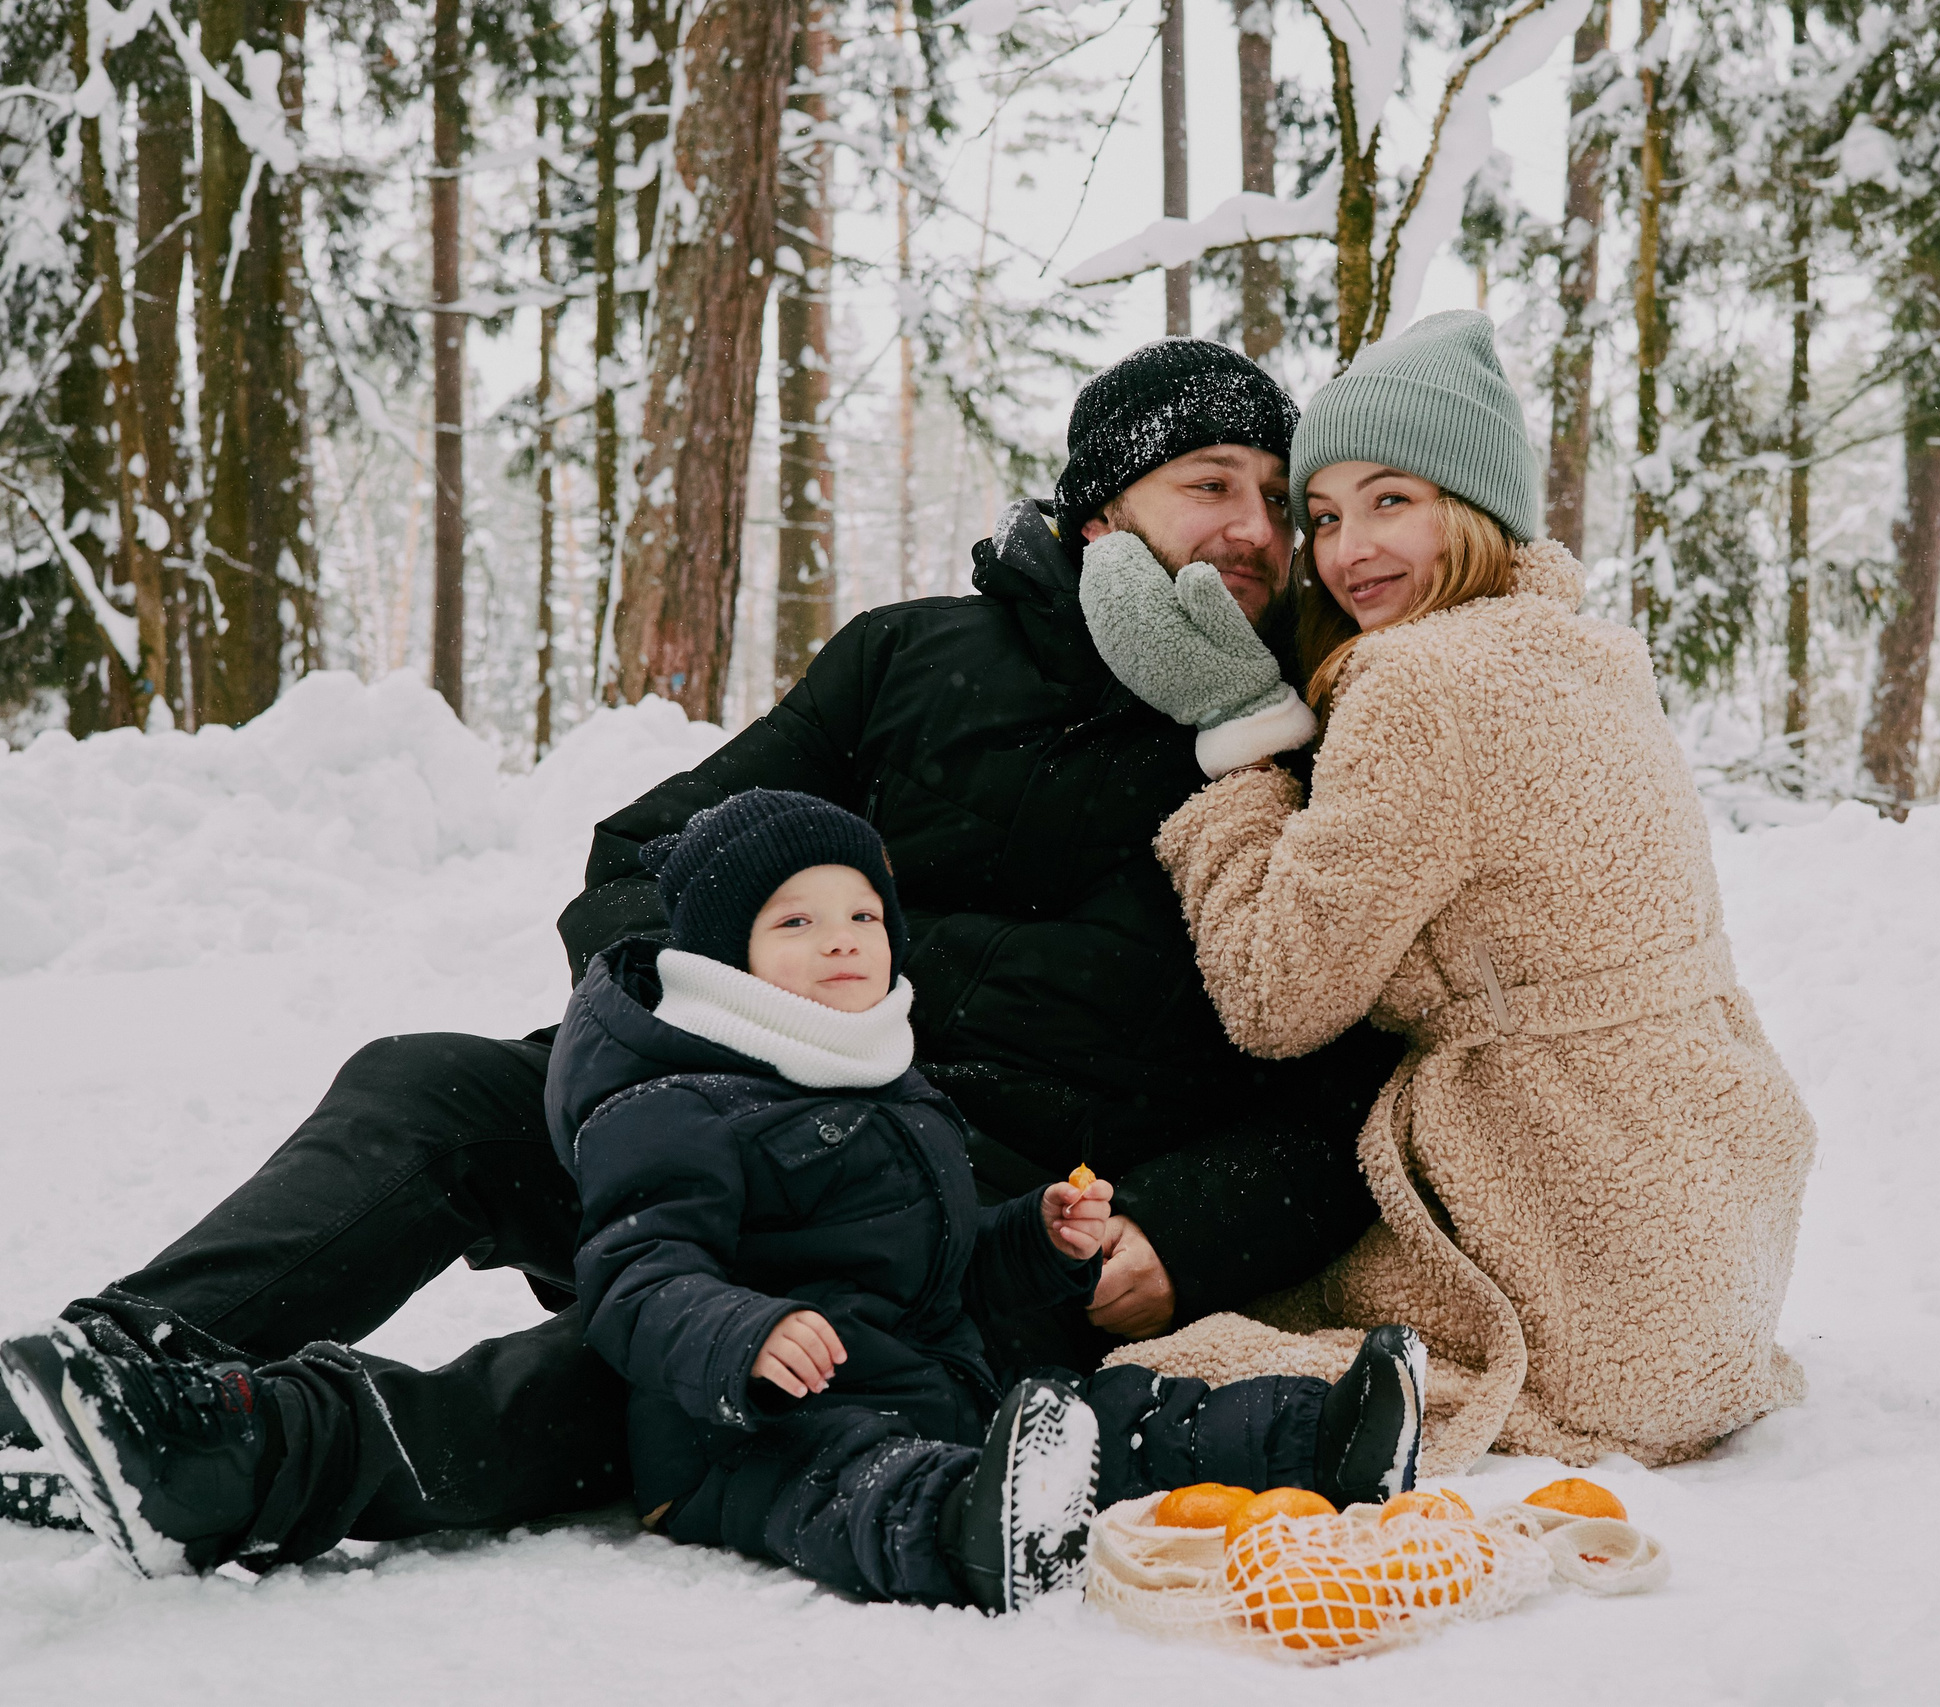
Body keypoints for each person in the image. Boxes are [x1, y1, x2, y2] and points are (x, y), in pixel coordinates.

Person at [0, 339, 1403, 1575]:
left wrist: (1181, 1224)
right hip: (714, 1116)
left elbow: (1344, 1095)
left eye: (1281, 500)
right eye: (1210, 482)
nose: (1257, 528)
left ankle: (234, 1451)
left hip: (939, 1212)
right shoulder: (915, 659)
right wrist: (654, 1058)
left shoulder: (1298, 752)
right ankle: (106, 1374)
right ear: (1103, 501)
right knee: (428, 1088)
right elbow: (650, 848)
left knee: (666, 1372)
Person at [1075, 311, 1821, 1473]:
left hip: (1577, 1255)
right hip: (1714, 1254)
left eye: (1391, 501)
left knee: (1161, 1357)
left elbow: (1276, 999)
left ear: (1472, 505)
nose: (1343, 550)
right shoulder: (1586, 653)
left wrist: (1235, 752)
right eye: (1322, 515)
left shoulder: (1417, 686)